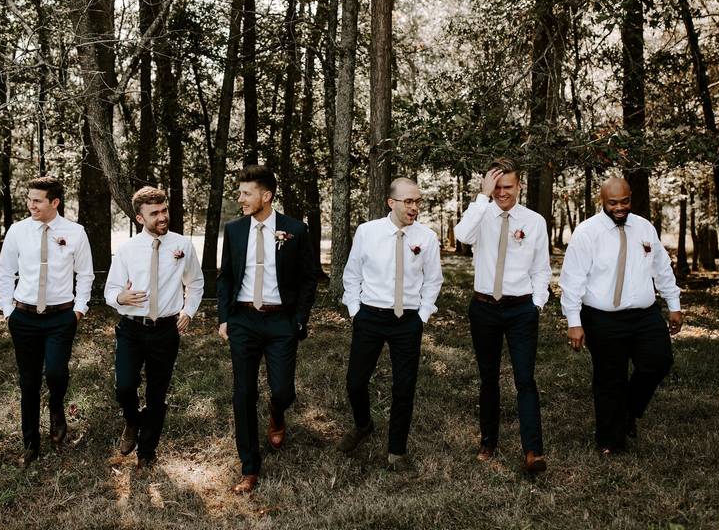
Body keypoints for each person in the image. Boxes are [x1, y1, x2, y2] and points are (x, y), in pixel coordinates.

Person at [560, 177, 682, 454]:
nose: (619, 207)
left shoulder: (644, 227)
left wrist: (673, 303)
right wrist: (574, 322)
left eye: (624, 201)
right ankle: (610, 440)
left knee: (659, 361)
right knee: (609, 377)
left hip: (644, 315)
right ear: (602, 201)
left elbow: (661, 268)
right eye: (613, 202)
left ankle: (628, 411)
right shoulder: (587, 232)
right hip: (602, 317)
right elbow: (572, 280)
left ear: (631, 197)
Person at [217, 165, 318, 493]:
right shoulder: (233, 230)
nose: (240, 198)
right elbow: (226, 278)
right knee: (243, 393)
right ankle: (249, 467)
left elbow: (307, 278)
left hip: (280, 321)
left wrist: (299, 319)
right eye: (240, 192)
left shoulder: (295, 230)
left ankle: (277, 412)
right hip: (244, 319)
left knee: (283, 390)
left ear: (266, 196)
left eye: (246, 193)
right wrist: (224, 317)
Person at [338, 177, 443, 471]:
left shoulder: (427, 237)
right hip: (370, 316)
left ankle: (397, 451)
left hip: (407, 320)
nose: (414, 207)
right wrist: (355, 310)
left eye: (418, 201)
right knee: (355, 381)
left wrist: (422, 316)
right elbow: (352, 273)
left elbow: (433, 280)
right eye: (408, 201)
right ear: (391, 202)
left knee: (404, 386)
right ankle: (363, 424)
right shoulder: (367, 232)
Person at [454, 158, 550, 473]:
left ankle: (533, 450)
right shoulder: (481, 214)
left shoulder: (535, 221)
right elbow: (462, 236)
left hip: (521, 309)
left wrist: (536, 303)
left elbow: (541, 267)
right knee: (488, 378)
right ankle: (488, 441)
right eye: (495, 187)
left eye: (507, 186)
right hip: (484, 308)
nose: (501, 193)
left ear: (519, 185)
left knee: (525, 379)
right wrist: (481, 198)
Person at [0, 176, 94, 467]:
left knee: (55, 372)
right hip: (23, 317)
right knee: (28, 383)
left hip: (60, 317)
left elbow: (85, 274)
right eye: (29, 199)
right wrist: (7, 310)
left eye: (37, 200)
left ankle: (56, 406)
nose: (31, 205)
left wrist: (78, 309)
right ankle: (30, 445)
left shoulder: (75, 233)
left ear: (55, 202)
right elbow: (5, 272)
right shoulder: (18, 231)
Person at [105, 186, 203, 469]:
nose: (162, 217)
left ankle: (147, 450)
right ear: (139, 218)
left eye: (164, 211)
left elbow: (195, 283)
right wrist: (119, 297)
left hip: (166, 330)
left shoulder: (182, 245)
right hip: (132, 328)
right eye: (154, 213)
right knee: (124, 387)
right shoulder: (127, 250)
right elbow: (110, 290)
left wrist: (189, 310)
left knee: (157, 393)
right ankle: (132, 422)